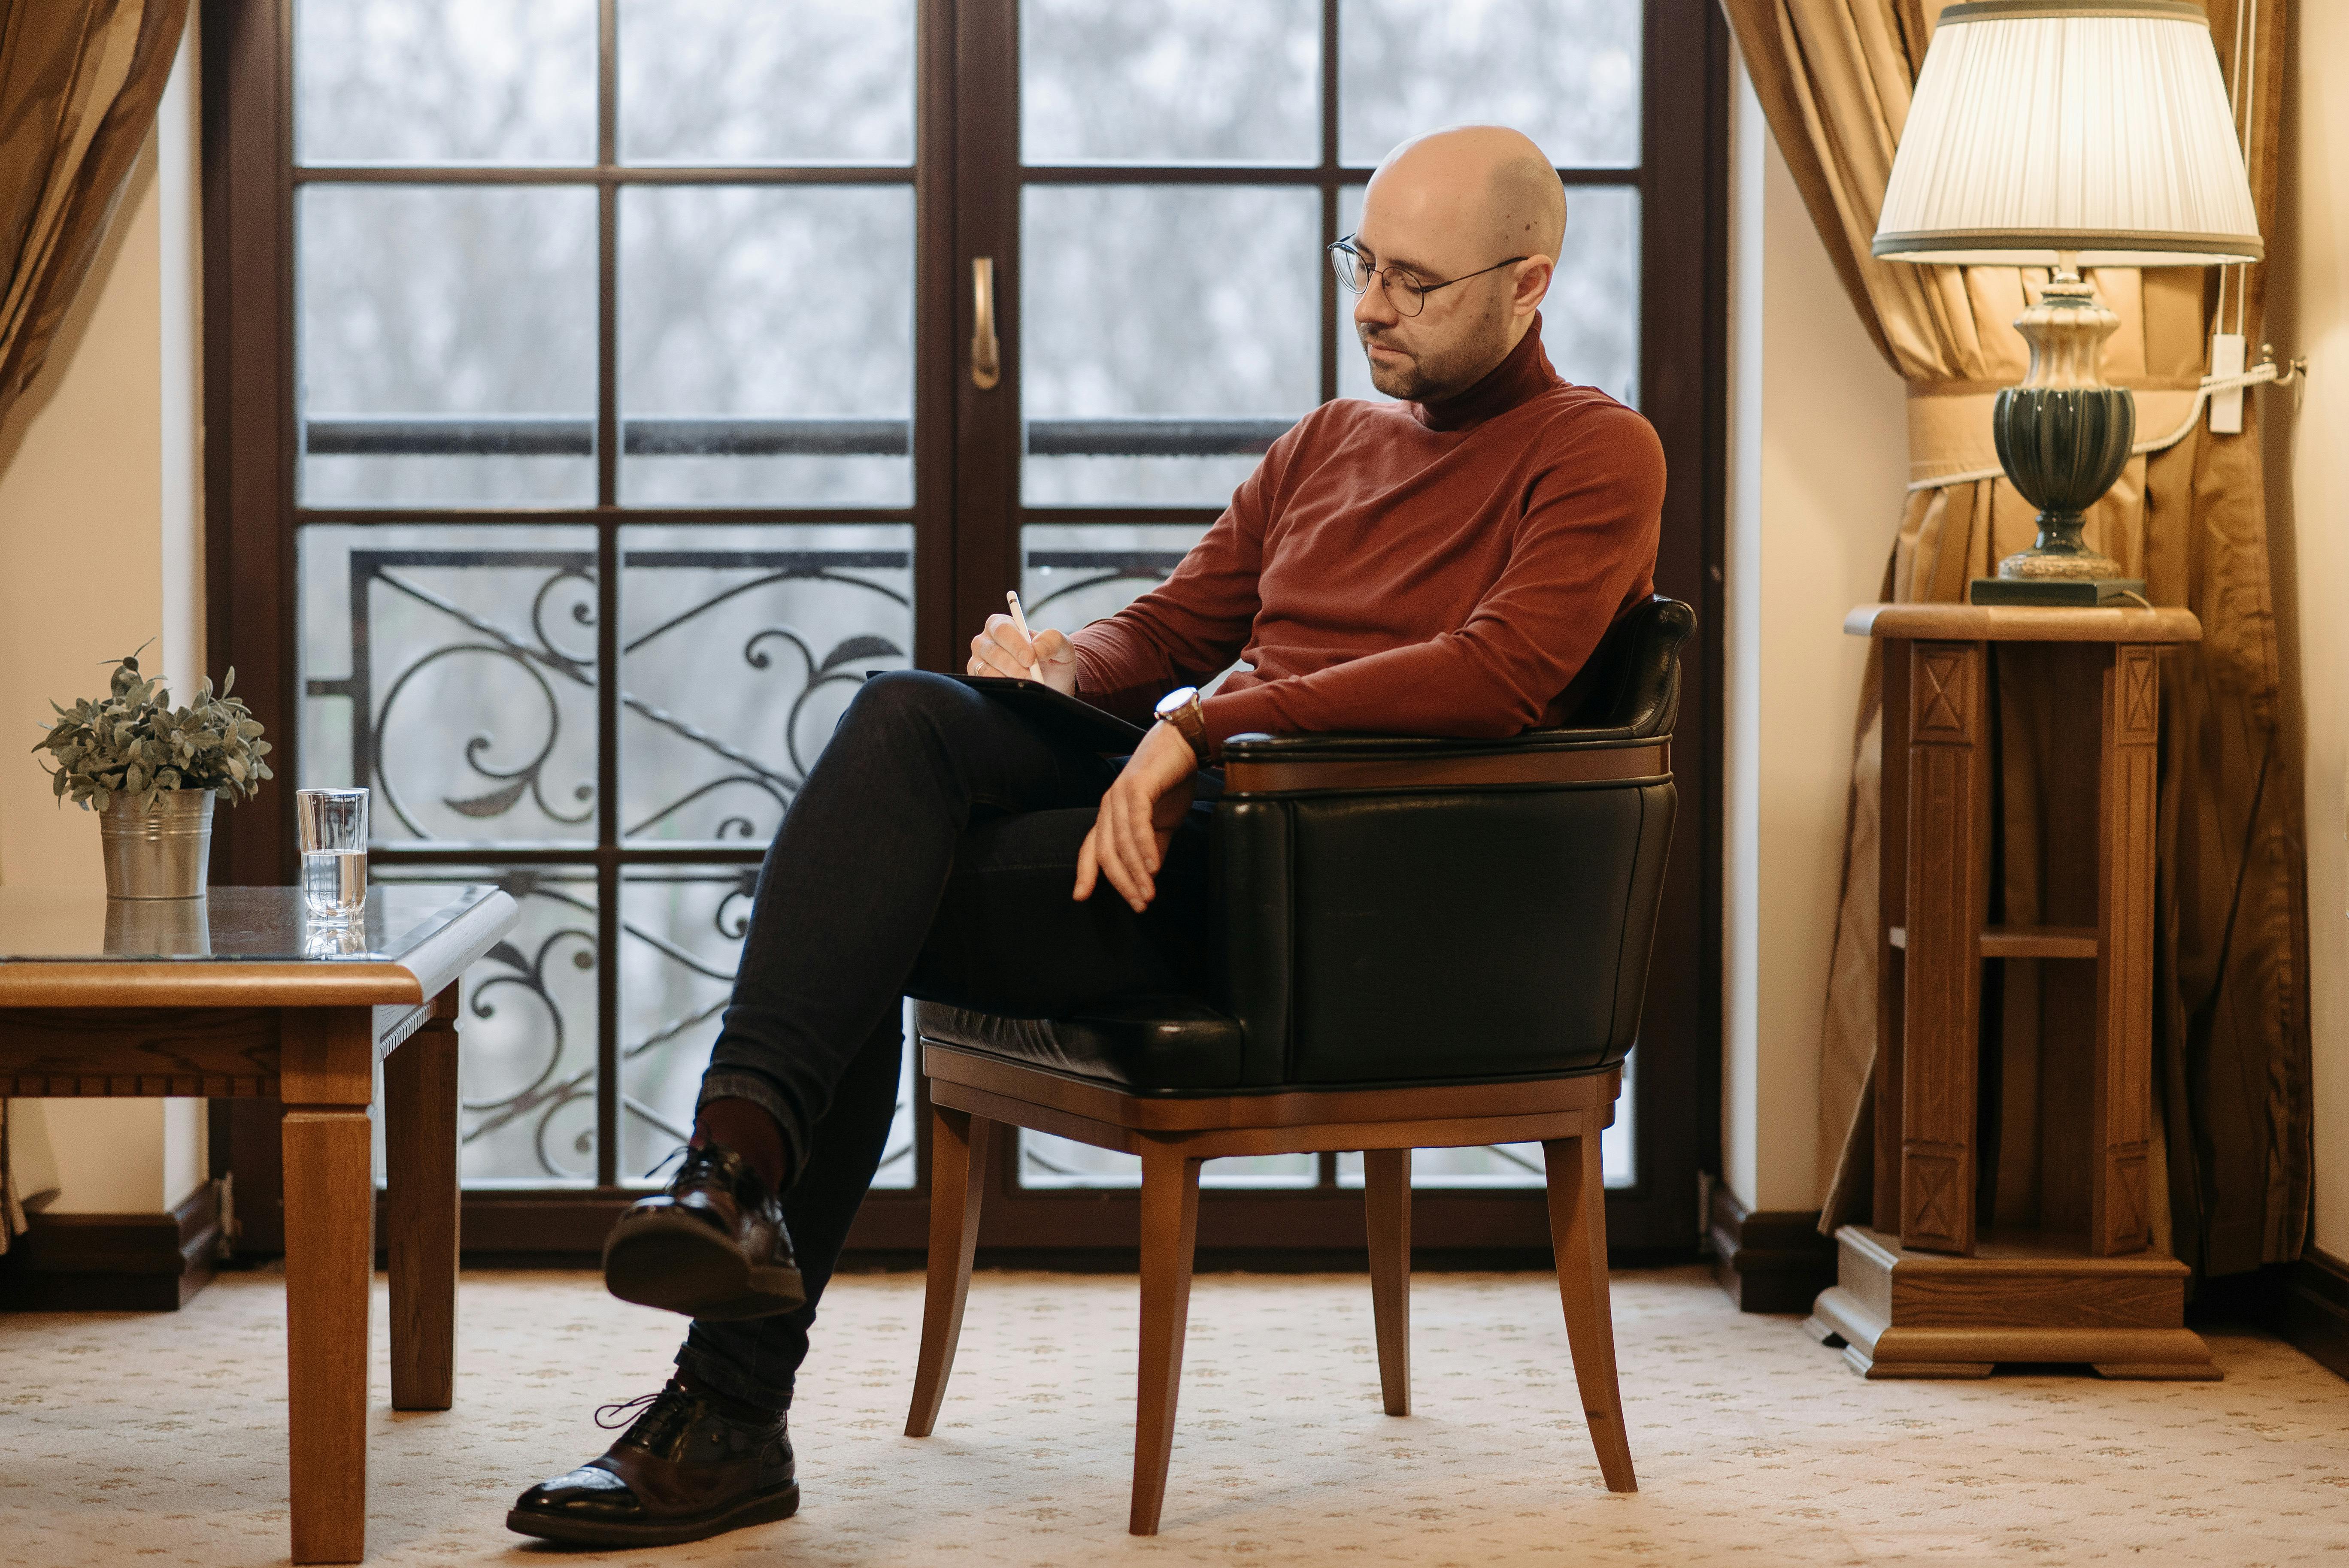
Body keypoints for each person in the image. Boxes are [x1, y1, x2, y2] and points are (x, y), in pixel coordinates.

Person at [506, 123, 1666, 1549]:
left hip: (1321, 889)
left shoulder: (1596, 450)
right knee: (910, 724)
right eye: (1360, 263)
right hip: (1190, 828)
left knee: (863, 906)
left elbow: (1503, 673)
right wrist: (1063, 667)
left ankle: (729, 1379)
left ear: (1528, 282)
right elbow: (1175, 627)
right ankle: (730, 1198)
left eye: (1413, 283)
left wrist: (1207, 731)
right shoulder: (1326, 441)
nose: (1367, 304)